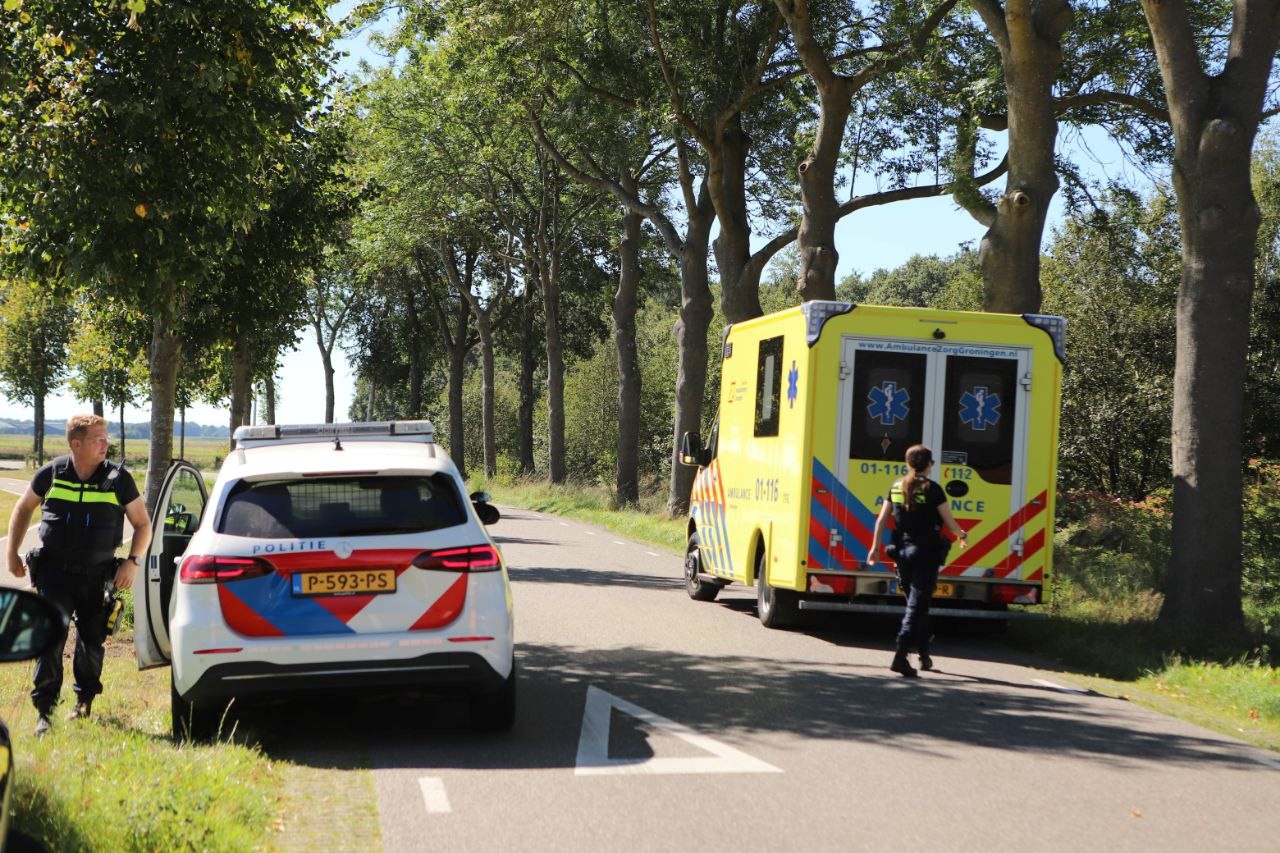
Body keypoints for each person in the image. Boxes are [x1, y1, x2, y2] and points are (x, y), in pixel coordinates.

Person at [5, 414, 152, 735]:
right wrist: (12, 551)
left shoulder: (118, 479)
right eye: (98, 439)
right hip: (53, 575)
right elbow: (23, 508)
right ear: (77, 444)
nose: (106, 444)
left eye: (107, 438)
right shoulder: (53, 473)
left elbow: (143, 524)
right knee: (50, 640)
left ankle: (83, 703)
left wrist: (133, 561)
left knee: (91, 642)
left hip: (97, 578)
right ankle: (46, 713)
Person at [867, 444, 967, 678]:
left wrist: (874, 548)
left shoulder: (896, 486)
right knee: (916, 606)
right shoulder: (933, 489)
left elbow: (881, 520)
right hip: (925, 554)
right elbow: (949, 522)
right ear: (929, 465)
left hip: (902, 553)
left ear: (908, 463)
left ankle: (923, 654)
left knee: (917, 604)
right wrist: (961, 535)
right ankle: (900, 656)